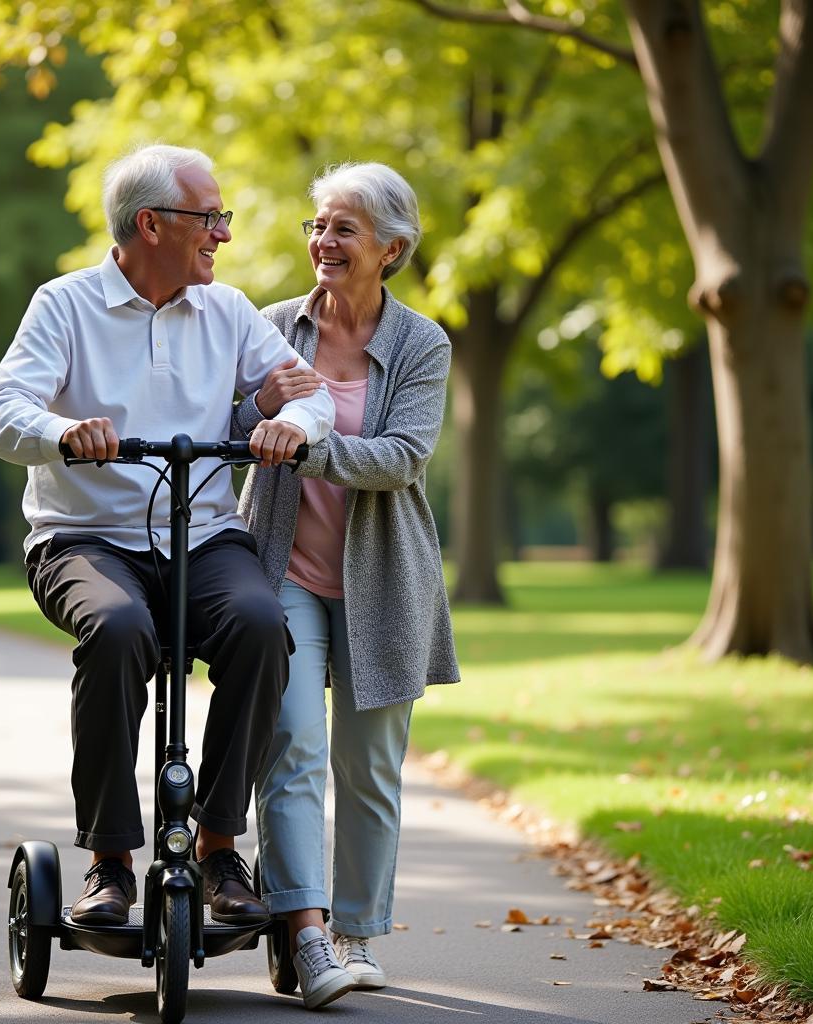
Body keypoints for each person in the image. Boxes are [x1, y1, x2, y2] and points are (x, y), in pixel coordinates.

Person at [0, 144, 334, 929]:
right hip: (83, 539)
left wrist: (288, 424)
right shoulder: (64, 305)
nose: (223, 235)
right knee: (118, 627)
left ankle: (216, 845)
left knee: (259, 625)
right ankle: (109, 860)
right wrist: (64, 432)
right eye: (209, 218)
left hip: (203, 537)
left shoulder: (228, 311)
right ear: (151, 224)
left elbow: (312, 399)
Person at [233, 162, 460, 1009]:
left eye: (344, 230)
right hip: (281, 566)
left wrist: (305, 444)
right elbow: (229, 418)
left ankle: (356, 931)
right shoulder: (267, 326)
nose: (324, 243)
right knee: (290, 747)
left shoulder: (420, 344)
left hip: (381, 580)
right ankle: (305, 929)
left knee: (369, 767)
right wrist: (257, 418)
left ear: (391, 248)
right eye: (317, 226)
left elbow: (403, 456)